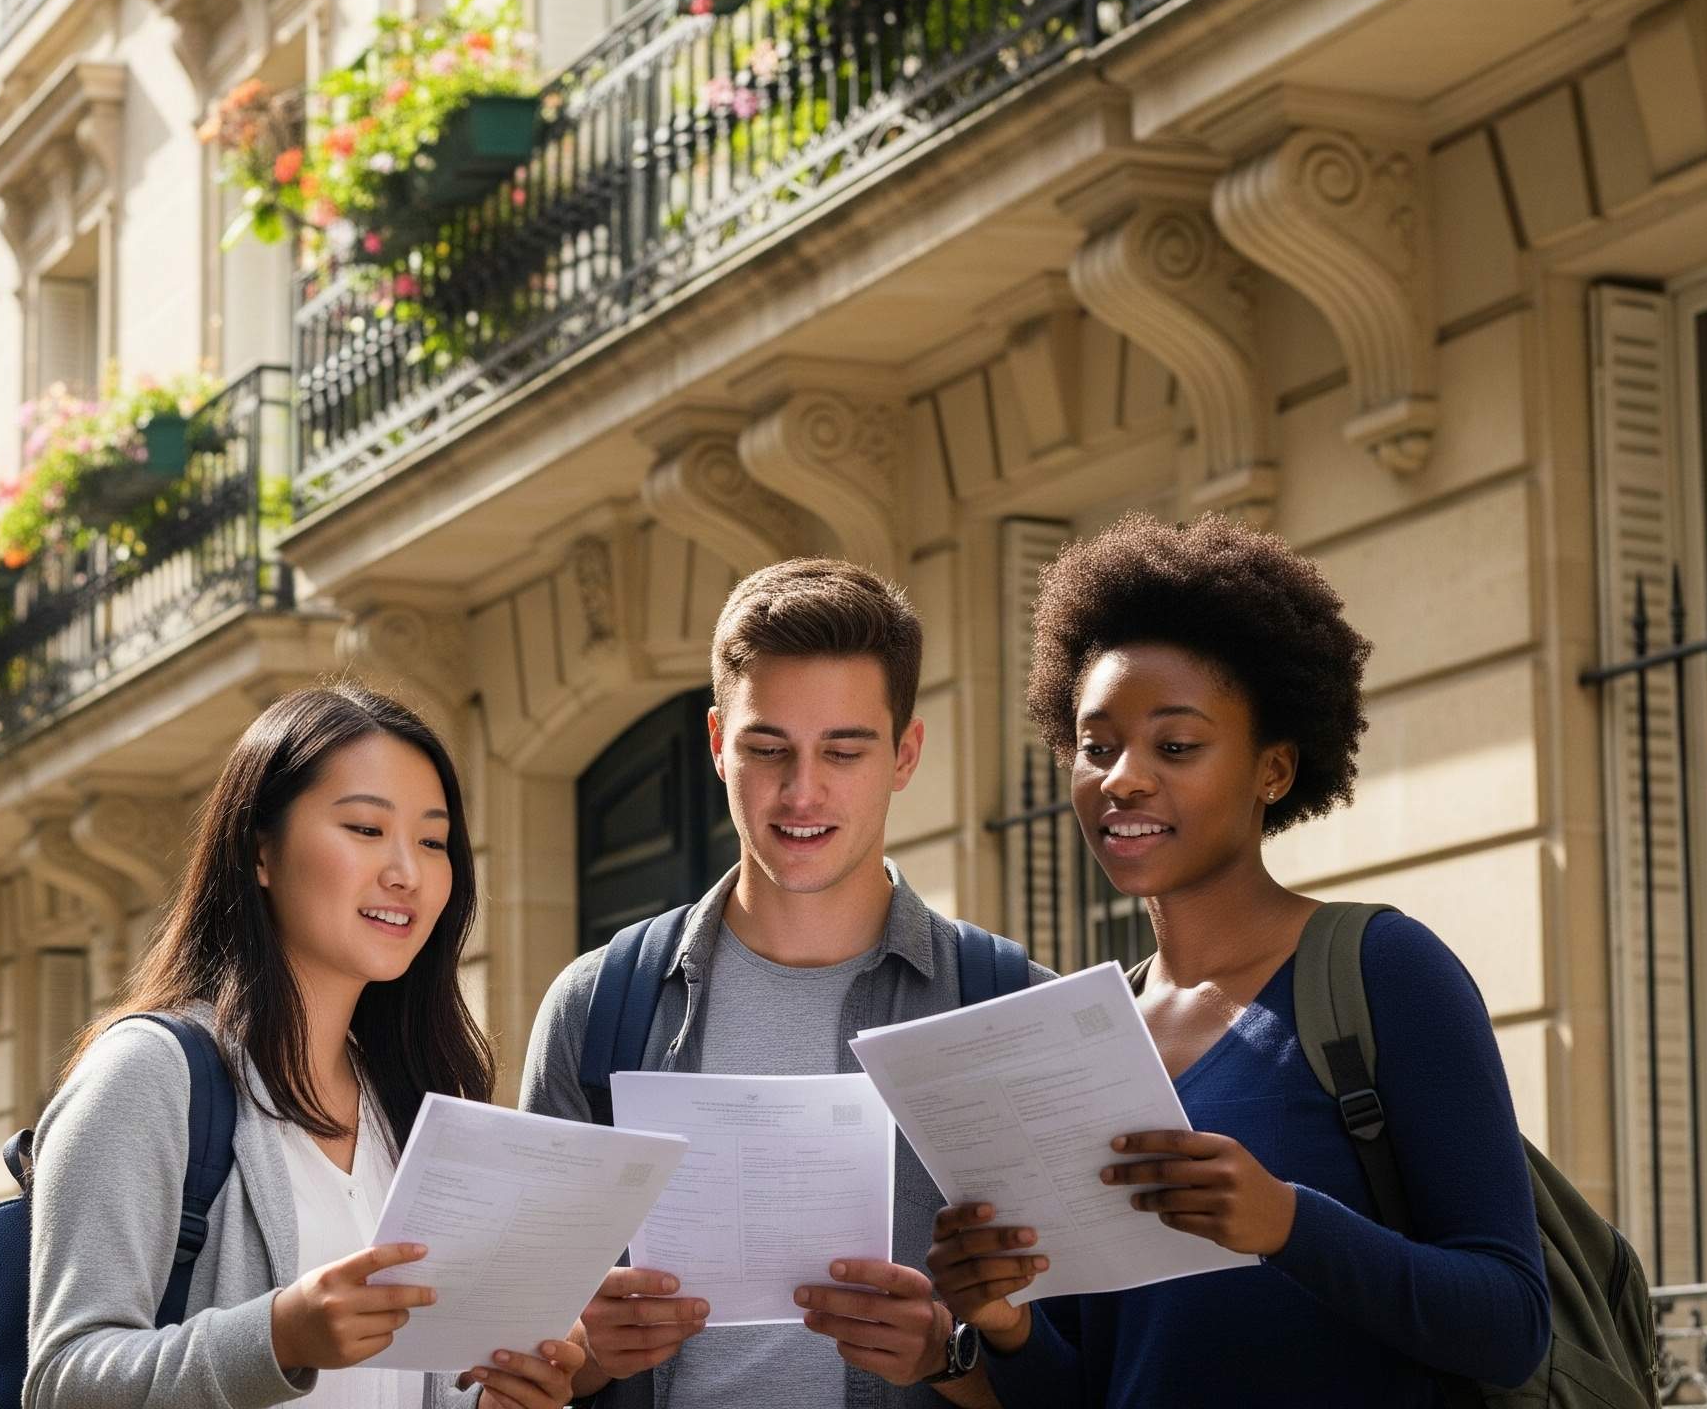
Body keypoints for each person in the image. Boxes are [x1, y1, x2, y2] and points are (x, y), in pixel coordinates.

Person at [926, 512, 1550, 1405]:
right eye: (1096, 748)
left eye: (1175, 746)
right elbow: (1095, 1388)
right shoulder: (1083, 1032)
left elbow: (1509, 1325)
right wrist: (1002, 1323)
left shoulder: (1385, 971)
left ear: (1275, 769)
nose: (1123, 778)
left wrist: (1288, 1224)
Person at [519, 557, 1047, 1408]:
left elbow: (1097, 1366)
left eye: (844, 750)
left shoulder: (1009, 1006)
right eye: (769, 749)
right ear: (719, 744)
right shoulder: (595, 1007)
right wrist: (589, 1355)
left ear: (905, 754)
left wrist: (951, 1357)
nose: (803, 792)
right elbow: (516, 1349)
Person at [25, 684, 586, 1409]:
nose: (405, 872)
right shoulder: (148, 1073)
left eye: (433, 841)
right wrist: (278, 1337)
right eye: (363, 829)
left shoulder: (407, 1098)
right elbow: (62, 1380)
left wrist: (490, 1402)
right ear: (261, 851)